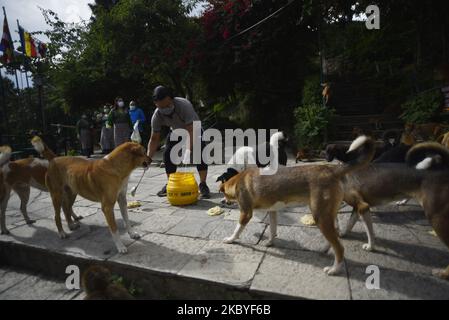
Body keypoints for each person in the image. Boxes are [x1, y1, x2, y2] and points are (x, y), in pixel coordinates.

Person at [146, 86, 210, 198]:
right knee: (167, 153)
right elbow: (154, 138)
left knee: (199, 152)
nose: (164, 109)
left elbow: (191, 130)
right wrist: (148, 159)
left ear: (172, 99)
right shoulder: (157, 115)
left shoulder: (184, 105)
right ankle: (171, 183)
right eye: (160, 107)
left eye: (166, 106)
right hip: (176, 131)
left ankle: (203, 184)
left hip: (193, 128)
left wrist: (188, 151)